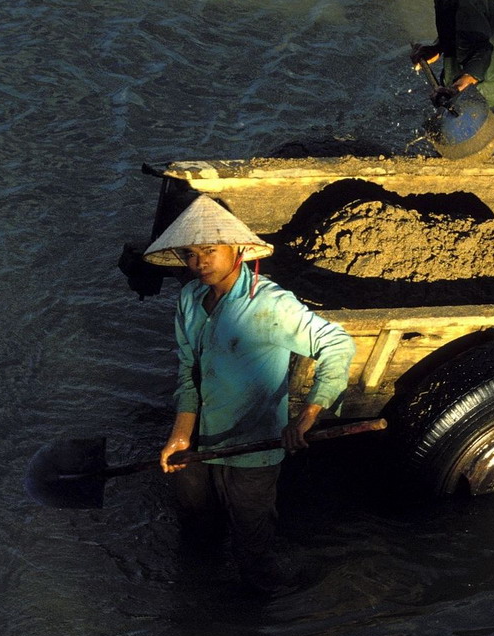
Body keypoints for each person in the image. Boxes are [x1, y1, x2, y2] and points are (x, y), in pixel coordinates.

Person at [141, 194, 356, 593]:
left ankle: (259, 618)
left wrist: (307, 416)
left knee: (252, 541)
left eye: (209, 250)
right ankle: (199, 600)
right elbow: (188, 371)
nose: (199, 261)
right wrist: (181, 434)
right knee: (196, 528)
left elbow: (337, 345)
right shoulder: (189, 299)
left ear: (236, 248)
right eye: (190, 253)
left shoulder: (269, 305)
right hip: (200, 442)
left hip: (253, 445)